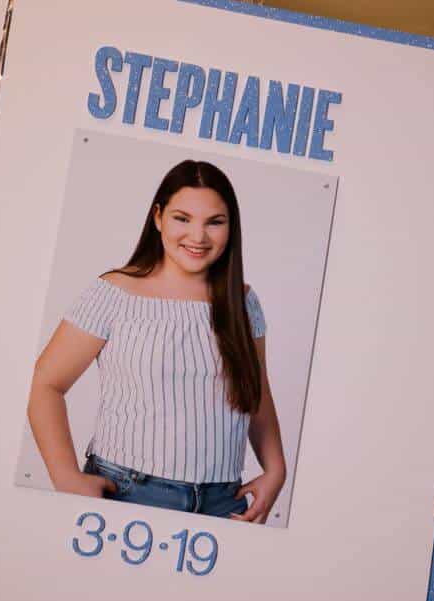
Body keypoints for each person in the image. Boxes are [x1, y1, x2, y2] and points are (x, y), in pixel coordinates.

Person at [27, 159, 286, 523]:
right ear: (158, 217)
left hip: (223, 502)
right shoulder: (113, 293)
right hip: (129, 493)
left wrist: (275, 468)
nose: (198, 237)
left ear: (232, 228)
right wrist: (66, 476)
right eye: (183, 218)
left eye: (215, 222)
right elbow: (46, 383)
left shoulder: (243, 302)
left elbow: (255, 391)